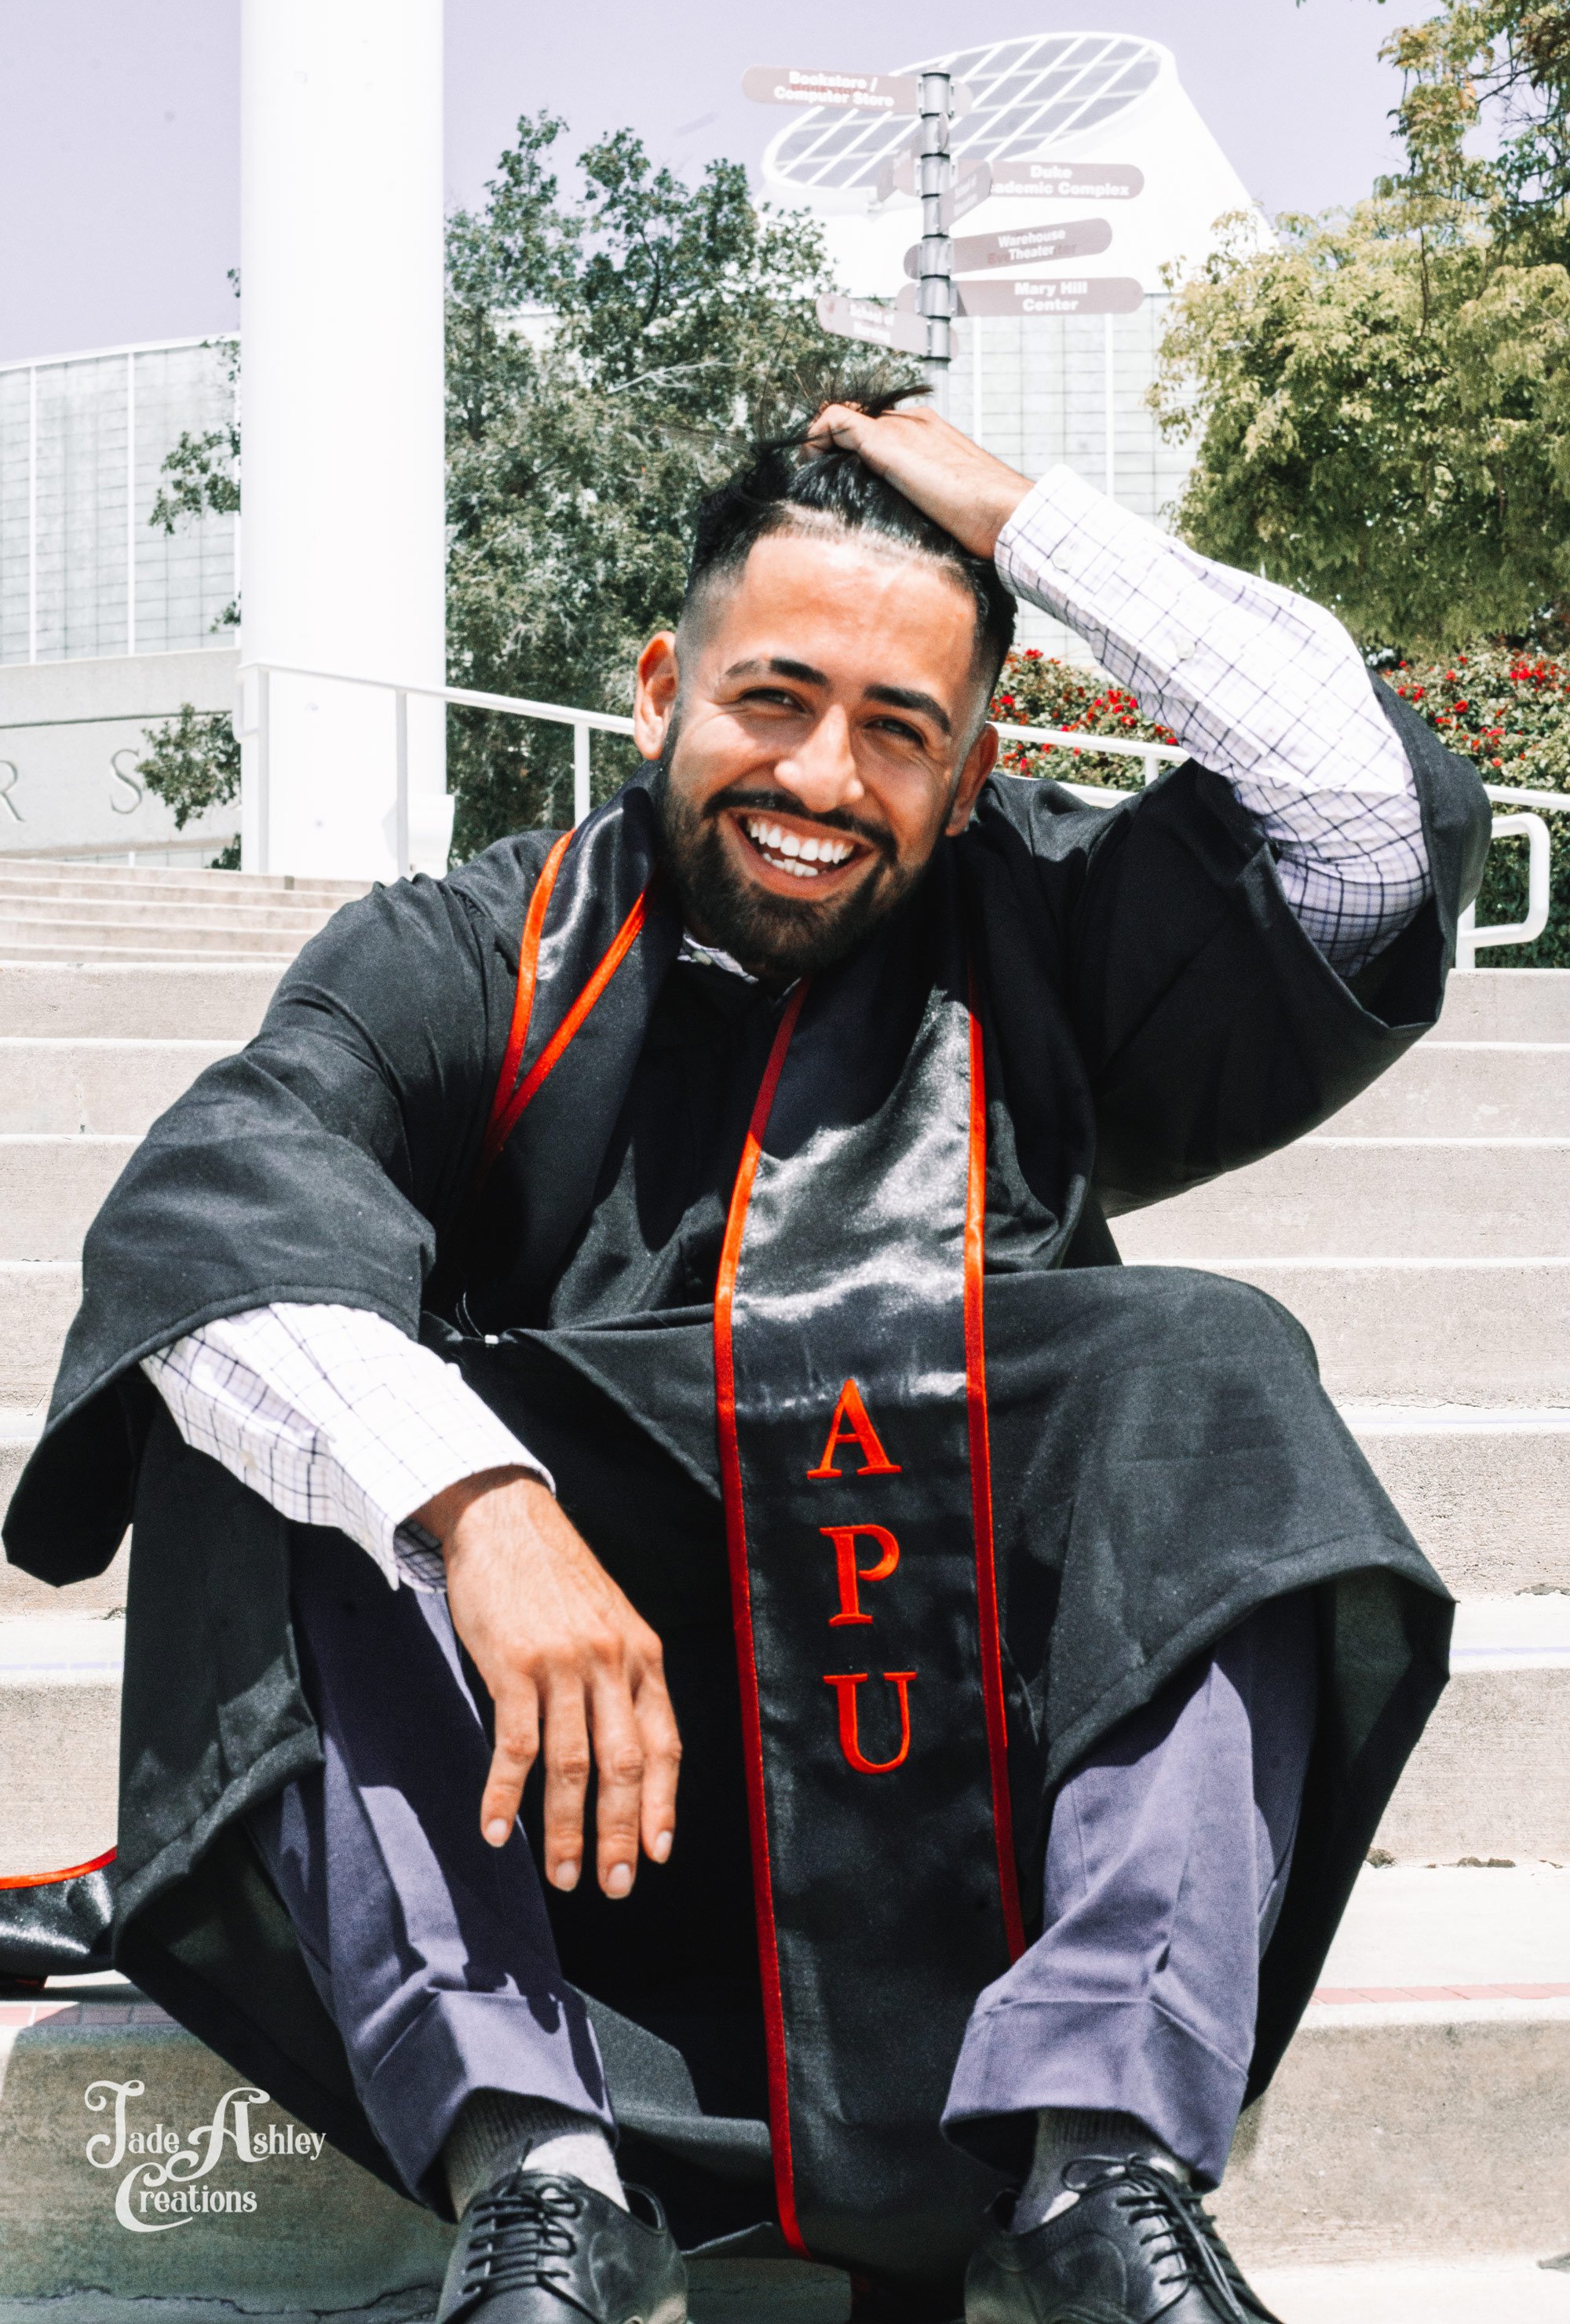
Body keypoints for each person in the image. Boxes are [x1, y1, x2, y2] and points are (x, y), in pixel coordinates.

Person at [3, 382, 1488, 2324]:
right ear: (656, 691)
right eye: (773, 697)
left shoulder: (1037, 924)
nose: (818, 776)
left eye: (898, 731)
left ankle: (1094, 2182)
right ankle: (539, 2185)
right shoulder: (481, 944)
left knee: (1207, 1365)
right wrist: (484, 1508)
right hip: (583, 1807)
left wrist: (1008, 509)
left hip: (952, 1799)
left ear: (969, 776)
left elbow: (1369, 816)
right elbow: (214, 1211)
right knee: (263, 1394)